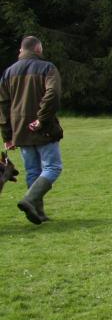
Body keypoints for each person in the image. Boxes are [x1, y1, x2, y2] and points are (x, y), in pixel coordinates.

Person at [1, 36, 64, 225]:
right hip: (42, 128)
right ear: (38, 49)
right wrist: (41, 119)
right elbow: (53, 93)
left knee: (32, 170)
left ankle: (37, 212)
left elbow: (2, 104)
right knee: (53, 167)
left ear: (22, 50)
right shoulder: (47, 68)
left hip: (20, 130)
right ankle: (30, 201)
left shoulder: (8, 72)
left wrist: (8, 135)